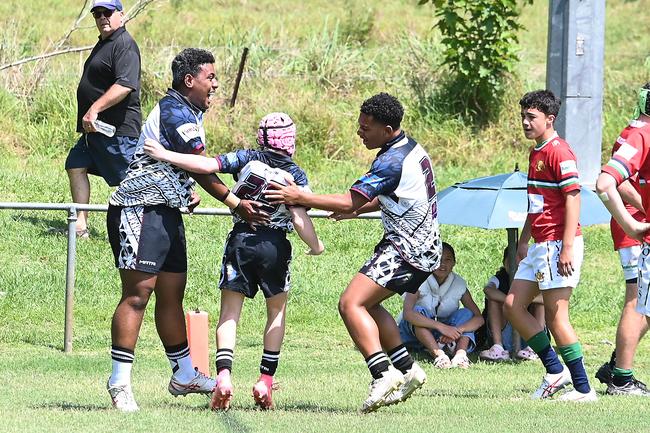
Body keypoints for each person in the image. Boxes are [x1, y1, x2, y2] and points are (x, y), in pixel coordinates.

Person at [105, 48, 267, 412]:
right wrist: (235, 202)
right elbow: (199, 165)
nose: (215, 84)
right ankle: (119, 383)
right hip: (140, 208)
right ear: (188, 80)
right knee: (138, 295)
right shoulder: (176, 110)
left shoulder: (188, 110)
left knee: (171, 293)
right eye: (210, 77)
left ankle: (183, 373)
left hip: (166, 210)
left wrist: (182, 191)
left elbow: (181, 168)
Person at [266, 92, 441, 413]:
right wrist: (357, 211)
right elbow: (393, 195)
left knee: (349, 303)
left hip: (406, 249)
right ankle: (408, 369)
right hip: (424, 249)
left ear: (387, 130)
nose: (360, 132)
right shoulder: (408, 148)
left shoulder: (391, 160)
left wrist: (299, 195)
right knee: (369, 305)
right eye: (360, 125)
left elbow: (350, 199)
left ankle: (382, 374)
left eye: (366, 128)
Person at [144, 112, 325, 410]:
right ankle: (265, 381)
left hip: (241, 239)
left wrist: (167, 154)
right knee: (276, 312)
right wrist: (316, 245)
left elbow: (206, 165)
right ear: (290, 140)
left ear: (262, 136)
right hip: (275, 245)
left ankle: (224, 376)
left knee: (229, 313)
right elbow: (298, 215)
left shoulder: (246, 158)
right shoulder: (296, 174)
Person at [503, 89, 597, 402]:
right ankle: (556, 371)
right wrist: (525, 239)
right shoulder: (536, 152)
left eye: (532, 117)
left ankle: (584, 390)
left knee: (557, 318)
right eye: (523, 117)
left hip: (559, 244)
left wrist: (568, 246)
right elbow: (536, 203)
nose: (525, 122)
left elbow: (573, 197)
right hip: (540, 244)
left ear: (549, 119)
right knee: (512, 306)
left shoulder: (560, 152)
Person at [65, 0, 141, 238]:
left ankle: (141, 227)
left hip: (117, 131)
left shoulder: (124, 45)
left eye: (107, 12)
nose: (102, 18)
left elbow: (125, 85)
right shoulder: (105, 43)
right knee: (75, 165)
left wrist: (94, 108)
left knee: (130, 182)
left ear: (121, 15)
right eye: (97, 14)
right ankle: (80, 226)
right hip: (94, 130)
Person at [595, 83, 650, 396]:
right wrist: (638, 215)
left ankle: (618, 365)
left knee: (642, 301)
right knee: (636, 299)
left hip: (637, 224)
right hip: (636, 227)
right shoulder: (638, 133)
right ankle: (621, 375)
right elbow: (616, 182)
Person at [397, 242, 483, 369]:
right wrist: (441, 327)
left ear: (454, 263)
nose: (443, 264)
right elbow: (408, 313)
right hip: (413, 333)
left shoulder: (459, 284)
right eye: (438, 259)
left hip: (444, 335)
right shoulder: (418, 279)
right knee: (417, 311)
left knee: (466, 313)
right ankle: (439, 355)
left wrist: (457, 331)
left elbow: (478, 318)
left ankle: (460, 354)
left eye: (448, 260)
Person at [479, 247, 543, 362]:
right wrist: (511, 301)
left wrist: (522, 301)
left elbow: (544, 298)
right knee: (494, 300)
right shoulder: (499, 278)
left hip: (529, 333)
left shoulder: (534, 278)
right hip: (505, 332)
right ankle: (498, 347)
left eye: (521, 260)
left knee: (540, 305)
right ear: (504, 262)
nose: (516, 264)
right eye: (511, 260)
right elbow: (488, 290)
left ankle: (535, 348)